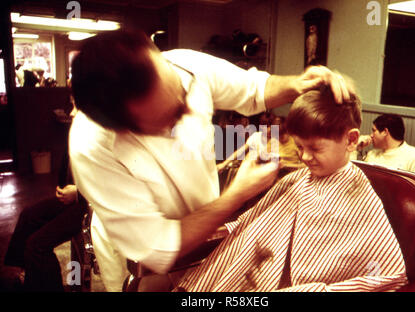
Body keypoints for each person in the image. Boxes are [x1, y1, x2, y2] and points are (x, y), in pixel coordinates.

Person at [68, 28, 354, 289]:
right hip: (143, 258)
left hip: (209, 245)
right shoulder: (92, 148)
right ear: (124, 127)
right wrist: (237, 194)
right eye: (170, 117)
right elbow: (158, 246)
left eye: (180, 94)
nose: (186, 111)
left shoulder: (183, 66)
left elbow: (254, 90)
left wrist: (298, 83)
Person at [174, 83, 407, 292]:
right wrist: (226, 229)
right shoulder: (296, 180)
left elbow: (387, 273)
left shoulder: (360, 197)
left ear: (351, 140)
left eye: (315, 148)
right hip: (257, 277)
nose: (305, 156)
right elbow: (254, 222)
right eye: (299, 146)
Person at [2, 107, 88, 292]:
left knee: (37, 245)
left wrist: (78, 192)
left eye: (77, 107)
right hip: (75, 198)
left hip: (89, 207)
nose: (71, 113)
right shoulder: (81, 130)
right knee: (28, 215)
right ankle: (26, 272)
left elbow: (107, 186)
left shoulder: (105, 132)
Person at [357, 114, 415, 178]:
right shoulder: (372, 154)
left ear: (385, 132)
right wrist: (356, 148)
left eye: (374, 130)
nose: (371, 135)